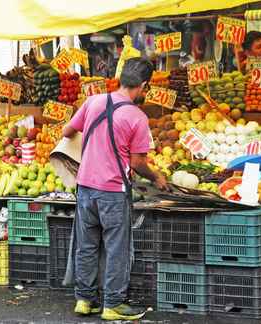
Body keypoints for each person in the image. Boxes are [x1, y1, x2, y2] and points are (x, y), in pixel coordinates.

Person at [63, 57, 168, 321]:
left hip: (85, 186)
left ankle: (84, 300)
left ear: (121, 77)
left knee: (86, 246)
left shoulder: (93, 101)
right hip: (112, 191)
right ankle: (112, 304)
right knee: (116, 248)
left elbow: (67, 131)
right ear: (143, 85)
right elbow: (137, 162)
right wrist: (156, 177)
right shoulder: (137, 117)